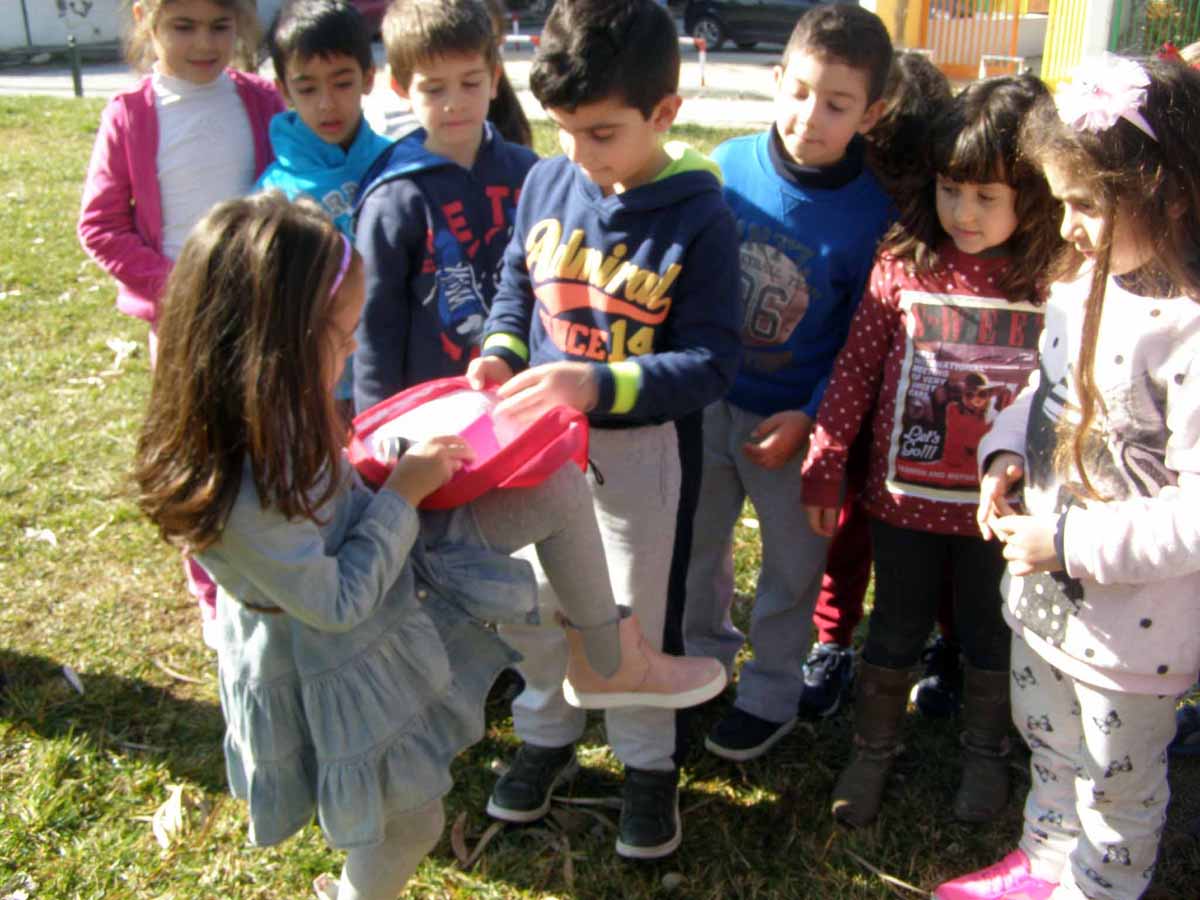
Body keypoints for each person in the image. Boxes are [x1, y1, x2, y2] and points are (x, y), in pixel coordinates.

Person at [133, 192, 726, 900]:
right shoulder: (238, 490)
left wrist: (391, 461)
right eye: (340, 339)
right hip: (335, 651)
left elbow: (333, 495)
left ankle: (609, 660)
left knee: (554, 489)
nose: (349, 354)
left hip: (382, 554)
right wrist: (403, 493)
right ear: (275, 345)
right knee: (409, 822)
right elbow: (338, 603)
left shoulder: (278, 402)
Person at [465, 0, 742, 859]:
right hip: (539, 451)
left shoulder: (700, 215)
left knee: (632, 615)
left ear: (665, 112)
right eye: (563, 130)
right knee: (537, 601)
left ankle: (647, 761)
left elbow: (711, 363)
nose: (579, 154)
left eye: (602, 133)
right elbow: (517, 286)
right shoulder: (548, 181)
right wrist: (501, 353)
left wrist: (595, 386)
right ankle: (546, 733)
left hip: (644, 460)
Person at [935, 57, 1200, 900]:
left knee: (1117, 781)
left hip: (1132, 632)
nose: (1069, 226)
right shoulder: (1078, 285)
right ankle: (1044, 862)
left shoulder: (1189, 328)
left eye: (1087, 204)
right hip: (1047, 598)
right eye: (1062, 202)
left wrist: (1069, 540)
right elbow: (1047, 392)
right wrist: (1006, 451)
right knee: (1049, 741)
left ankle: (1099, 887)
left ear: (1169, 192)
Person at [801, 74, 1063, 828]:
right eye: (951, 190)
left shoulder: (1054, 280)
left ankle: (986, 755)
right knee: (893, 626)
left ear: (1032, 195)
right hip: (902, 502)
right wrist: (826, 460)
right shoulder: (904, 262)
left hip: (1003, 513)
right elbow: (856, 369)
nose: (964, 213)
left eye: (987, 195)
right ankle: (872, 751)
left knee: (989, 631)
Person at [681, 4, 894, 763]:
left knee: (792, 572)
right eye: (799, 91)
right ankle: (699, 671)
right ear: (777, 79)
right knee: (697, 550)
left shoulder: (876, 214)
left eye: (837, 104)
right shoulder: (725, 169)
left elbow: (866, 339)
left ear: (872, 113)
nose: (810, 116)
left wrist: (811, 415)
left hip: (800, 431)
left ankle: (770, 694)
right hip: (709, 406)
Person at [77, 0, 284, 643]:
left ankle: (279, 570)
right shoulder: (131, 114)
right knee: (204, 457)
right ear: (147, 19)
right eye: (184, 26)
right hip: (183, 323)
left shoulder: (261, 100)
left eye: (220, 26)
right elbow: (100, 225)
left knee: (273, 441)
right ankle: (214, 594)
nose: (204, 43)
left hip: (265, 311)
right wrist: (182, 290)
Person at [800, 46, 959, 724]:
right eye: (878, 165)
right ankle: (832, 641)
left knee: (945, 534)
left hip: (925, 403)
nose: (888, 191)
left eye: (904, 172)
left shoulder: (946, 222)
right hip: (845, 385)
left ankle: (951, 642)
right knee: (845, 528)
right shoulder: (842, 193)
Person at [352, 0, 539, 414]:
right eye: (434, 89)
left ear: (494, 80)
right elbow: (374, 331)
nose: (454, 103)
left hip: (526, 399)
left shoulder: (531, 173)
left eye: (470, 83)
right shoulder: (393, 198)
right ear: (401, 89)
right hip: (432, 415)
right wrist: (378, 423)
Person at [258, 0, 393, 422]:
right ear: (283, 90)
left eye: (342, 82)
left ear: (368, 78)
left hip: (389, 364)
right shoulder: (275, 193)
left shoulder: (397, 165)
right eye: (307, 88)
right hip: (317, 380)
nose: (326, 104)